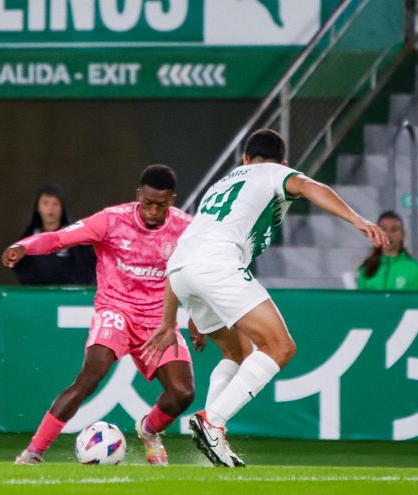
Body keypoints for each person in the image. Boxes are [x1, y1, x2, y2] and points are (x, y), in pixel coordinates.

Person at [140, 129, 388, 468]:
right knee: (280, 347)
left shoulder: (221, 185)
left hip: (182, 272)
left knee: (237, 352)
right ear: (284, 163)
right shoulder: (273, 173)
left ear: (245, 158)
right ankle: (213, 422)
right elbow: (310, 187)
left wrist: (174, 321)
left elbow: (185, 252)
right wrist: (357, 219)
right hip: (216, 265)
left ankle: (213, 434)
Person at [2, 165, 194, 466]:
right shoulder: (111, 220)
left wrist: (197, 318)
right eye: (147, 203)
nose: (153, 212)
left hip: (158, 320)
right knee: (90, 376)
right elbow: (59, 238)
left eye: (161, 204)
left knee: (183, 394)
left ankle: (149, 430)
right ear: (138, 196)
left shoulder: (186, 229)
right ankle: (33, 452)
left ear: (172, 200)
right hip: (115, 311)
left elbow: (198, 275)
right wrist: (24, 246)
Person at [11, 183, 96, 285]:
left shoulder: (74, 236)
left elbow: (88, 264)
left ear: (62, 208)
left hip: (67, 296)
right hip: (37, 296)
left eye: (55, 204)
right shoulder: (28, 239)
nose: (50, 208)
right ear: (38, 208)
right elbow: (19, 265)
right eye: (45, 203)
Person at [356, 211, 418, 291]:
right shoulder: (366, 269)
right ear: (375, 233)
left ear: (403, 234)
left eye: (394, 229)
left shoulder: (415, 269)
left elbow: (417, 302)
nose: (388, 234)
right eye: (383, 229)